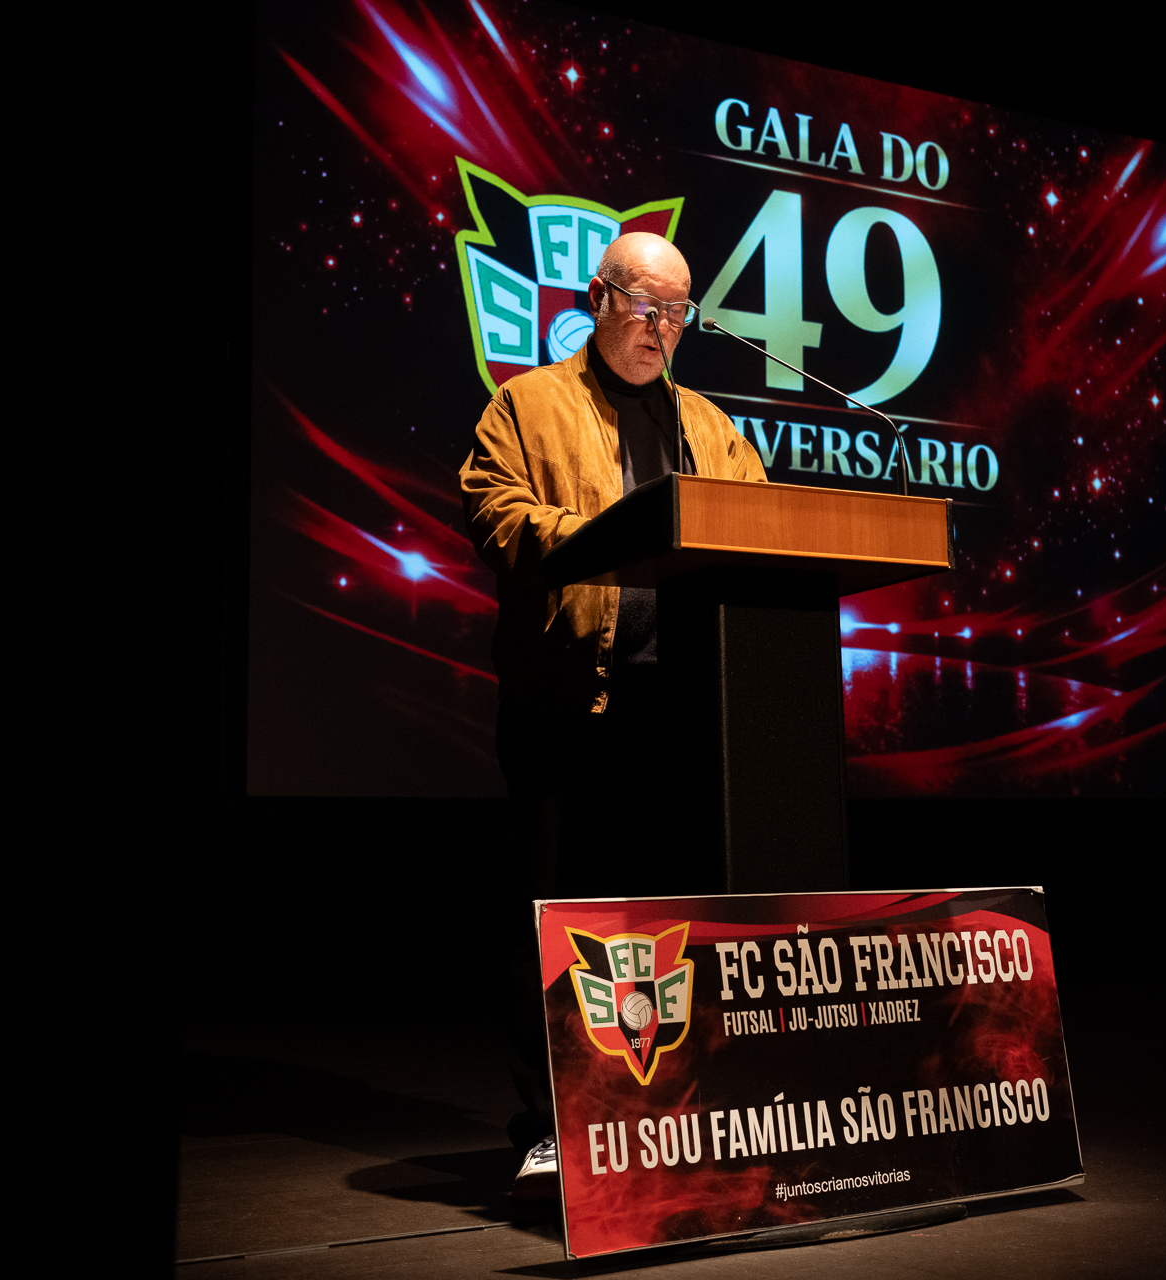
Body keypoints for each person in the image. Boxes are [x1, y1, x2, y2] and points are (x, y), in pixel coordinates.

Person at [458, 232, 767, 1197]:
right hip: (566, 700)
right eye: (643, 306)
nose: (660, 328)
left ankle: (662, 1119)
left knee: (667, 921)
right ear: (598, 300)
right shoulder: (529, 404)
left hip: (678, 709)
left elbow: (760, 524)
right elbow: (495, 511)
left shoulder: (708, 426)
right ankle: (550, 1124)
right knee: (552, 916)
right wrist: (608, 538)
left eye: (677, 313)